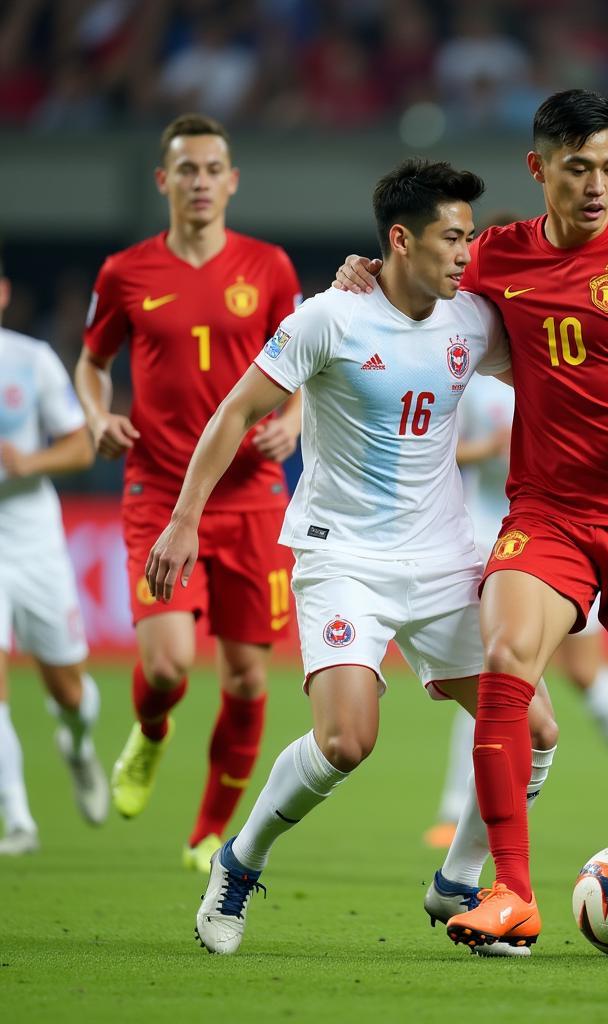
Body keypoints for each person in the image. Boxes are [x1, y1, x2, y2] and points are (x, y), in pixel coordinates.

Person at [337, 90, 608, 956]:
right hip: (551, 511)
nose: (597, 184)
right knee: (505, 661)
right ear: (539, 170)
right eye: (578, 168)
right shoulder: (497, 255)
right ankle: (512, 894)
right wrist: (362, 278)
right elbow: (415, 285)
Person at [143, 159, 559, 956]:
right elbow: (236, 411)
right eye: (450, 238)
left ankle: (459, 883)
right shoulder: (328, 318)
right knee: (345, 743)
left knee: (536, 732)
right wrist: (183, 519)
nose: (465, 254)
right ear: (400, 240)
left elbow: (551, 360)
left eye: (471, 238)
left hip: (444, 562)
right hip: (345, 563)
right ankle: (239, 861)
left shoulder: (471, 320)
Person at [74, 113, 302, 870]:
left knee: (243, 675)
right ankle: (152, 729)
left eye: (213, 169)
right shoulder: (124, 272)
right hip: (156, 491)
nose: (200, 181)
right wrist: (92, 414)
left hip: (253, 498)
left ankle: (209, 832)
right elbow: (91, 361)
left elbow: (307, 364)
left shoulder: (268, 268)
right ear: (163, 181)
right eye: (187, 169)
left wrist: (294, 419)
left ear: (231, 181)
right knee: (169, 665)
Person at [425, 366, 608, 849]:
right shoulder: (467, 380)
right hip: (489, 532)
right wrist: (489, 449)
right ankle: (455, 808)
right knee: (493, 669)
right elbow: (432, 452)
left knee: (582, 674)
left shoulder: (560, 372)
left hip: (564, 535)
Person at [0, 252, 108, 855]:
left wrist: (28, 463)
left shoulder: (29, 360)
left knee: (67, 687)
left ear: (4, 293)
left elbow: (78, 448)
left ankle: (77, 743)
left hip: (31, 536)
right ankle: (18, 818)